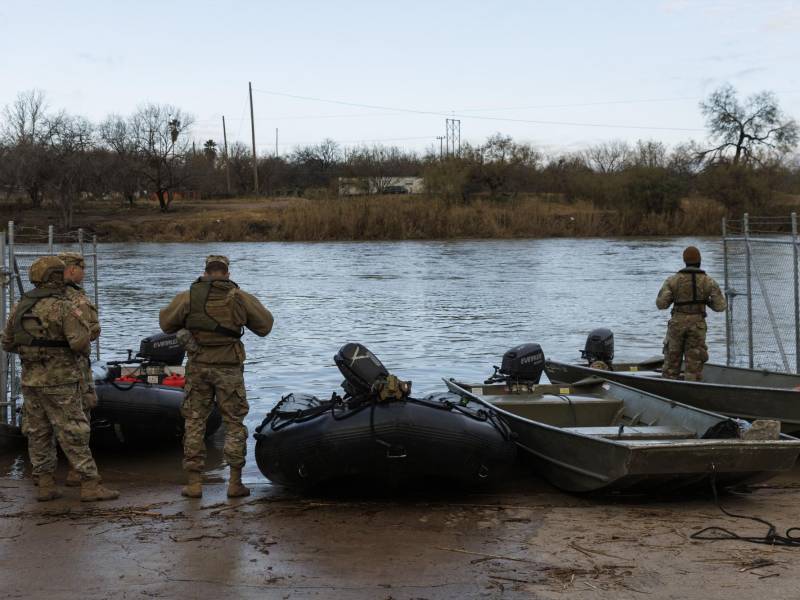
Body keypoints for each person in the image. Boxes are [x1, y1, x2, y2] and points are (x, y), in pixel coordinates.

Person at [2, 256, 118, 502]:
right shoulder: (64, 306)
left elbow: (7, 342)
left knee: (38, 432)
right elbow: (79, 342)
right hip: (62, 379)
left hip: (31, 379)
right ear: (56, 276)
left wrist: (35, 351)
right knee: (74, 430)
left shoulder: (21, 305)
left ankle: (45, 485)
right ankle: (89, 484)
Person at [159, 255, 273, 499]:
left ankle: (194, 484)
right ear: (227, 273)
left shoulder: (189, 295)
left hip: (198, 367)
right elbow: (265, 326)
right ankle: (234, 483)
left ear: (206, 272)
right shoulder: (238, 297)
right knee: (234, 423)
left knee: (194, 422)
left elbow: (166, 324)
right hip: (229, 369)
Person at [58, 251, 101, 487]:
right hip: (75, 368)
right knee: (81, 417)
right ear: (72, 269)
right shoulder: (78, 298)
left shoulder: (37, 297)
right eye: (82, 268)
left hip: (41, 370)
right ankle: (79, 473)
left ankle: (43, 477)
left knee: (43, 421)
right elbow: (92, 332)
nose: (84, 273)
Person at [656, 246, 726, 381]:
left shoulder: (672, 280)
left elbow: (661, 304)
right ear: (700, 261)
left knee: (671, 365)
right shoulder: (709, 281)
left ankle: (668, 392)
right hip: (697, 325)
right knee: (694, 367)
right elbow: (720, 306)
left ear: (684, 261)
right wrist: (706, 302)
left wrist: (675, 299)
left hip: (677, 324)